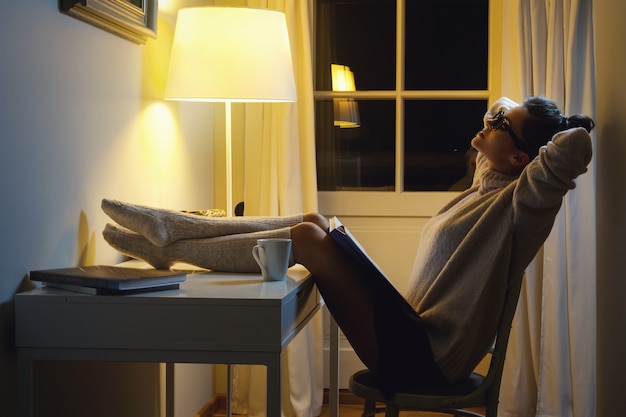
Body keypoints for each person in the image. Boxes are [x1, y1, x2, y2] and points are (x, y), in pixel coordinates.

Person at [101, 96, 594, 396]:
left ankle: (172, 241)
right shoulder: (492, 177)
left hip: (424, 357)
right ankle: (172, 230)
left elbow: (571, 148)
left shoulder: (521, 206)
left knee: (305, 239)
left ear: (522, 158)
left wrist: (568, 123)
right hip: (408, 328)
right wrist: (507, 120)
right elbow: (509, 118)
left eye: (499, 123)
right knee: (316, 222)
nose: (490, 119)